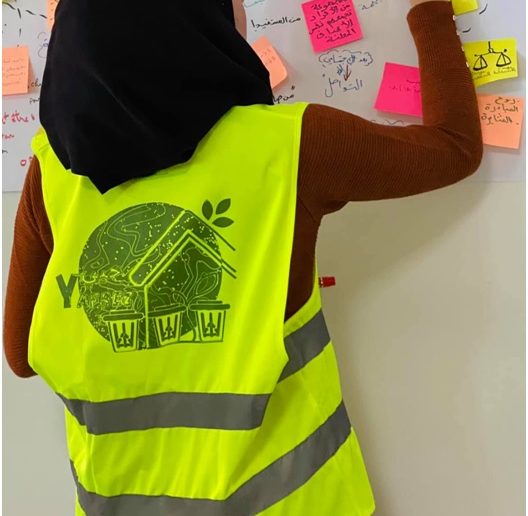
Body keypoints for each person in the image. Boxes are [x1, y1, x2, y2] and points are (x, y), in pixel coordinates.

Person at [4, 0, 482, 514]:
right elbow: (453, 147)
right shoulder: (291, 144)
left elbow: (20, 354)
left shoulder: (52, 173)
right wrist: (428, 11)